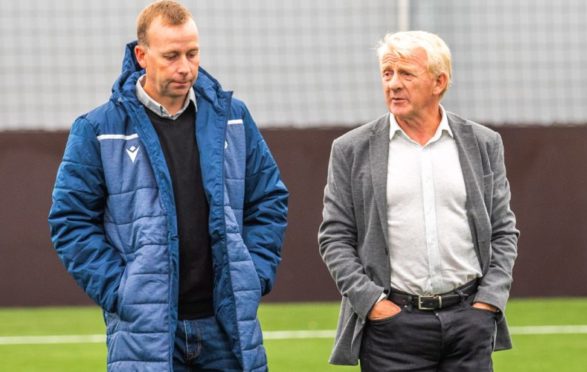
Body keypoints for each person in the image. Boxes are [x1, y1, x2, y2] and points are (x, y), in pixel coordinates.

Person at [48, 1, 288, 371]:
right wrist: (120, 291)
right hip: (147, 330)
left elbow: (269, 198)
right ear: (142, 55)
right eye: (172, 55)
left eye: (192, 54)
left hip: (226, 326)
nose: (185, 67)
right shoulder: (97, 128)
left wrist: (253, 275)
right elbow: (70, 222)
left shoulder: (234, 118)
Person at [318, 31, 519, 372]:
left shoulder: (483, 144)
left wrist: (488, 302)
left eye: (406, 74)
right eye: (387, 73)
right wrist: (372, 305)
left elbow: (503, 230)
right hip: (391, 331)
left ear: (439, 81)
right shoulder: (351, 149)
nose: (393, 84)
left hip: (469, 324)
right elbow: (334, 238)